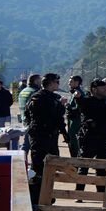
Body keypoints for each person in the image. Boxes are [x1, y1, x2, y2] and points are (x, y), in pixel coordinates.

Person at [25, 74, 65, 202]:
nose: (58, 84)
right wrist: (61, 106)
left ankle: (46, 194)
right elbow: (52, 116)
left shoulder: (42, 97)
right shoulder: (41, 97)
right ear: (51, 83)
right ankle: (37, 197)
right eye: (57, 82)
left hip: (48, 137)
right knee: (39, 168)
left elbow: (27, 115)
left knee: (51, 166)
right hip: (42, 137)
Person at [78, 78, 106, 160]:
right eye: (103, 87)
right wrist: (78, 97)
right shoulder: (87, 101)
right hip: (89, 139)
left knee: (102, 168)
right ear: (94, 90)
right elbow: (81, 104)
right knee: (83, 165)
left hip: (104, 140)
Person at [64, 76, 85, 157]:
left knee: (74, 140)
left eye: (71, 81)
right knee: (71, 139)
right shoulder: (73, 92)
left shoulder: (78, 93)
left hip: (76, 120)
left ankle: (75, 159)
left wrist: (68, 106)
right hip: (71, 119)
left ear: (77, 83)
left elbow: (79, 108)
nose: (69, 83)